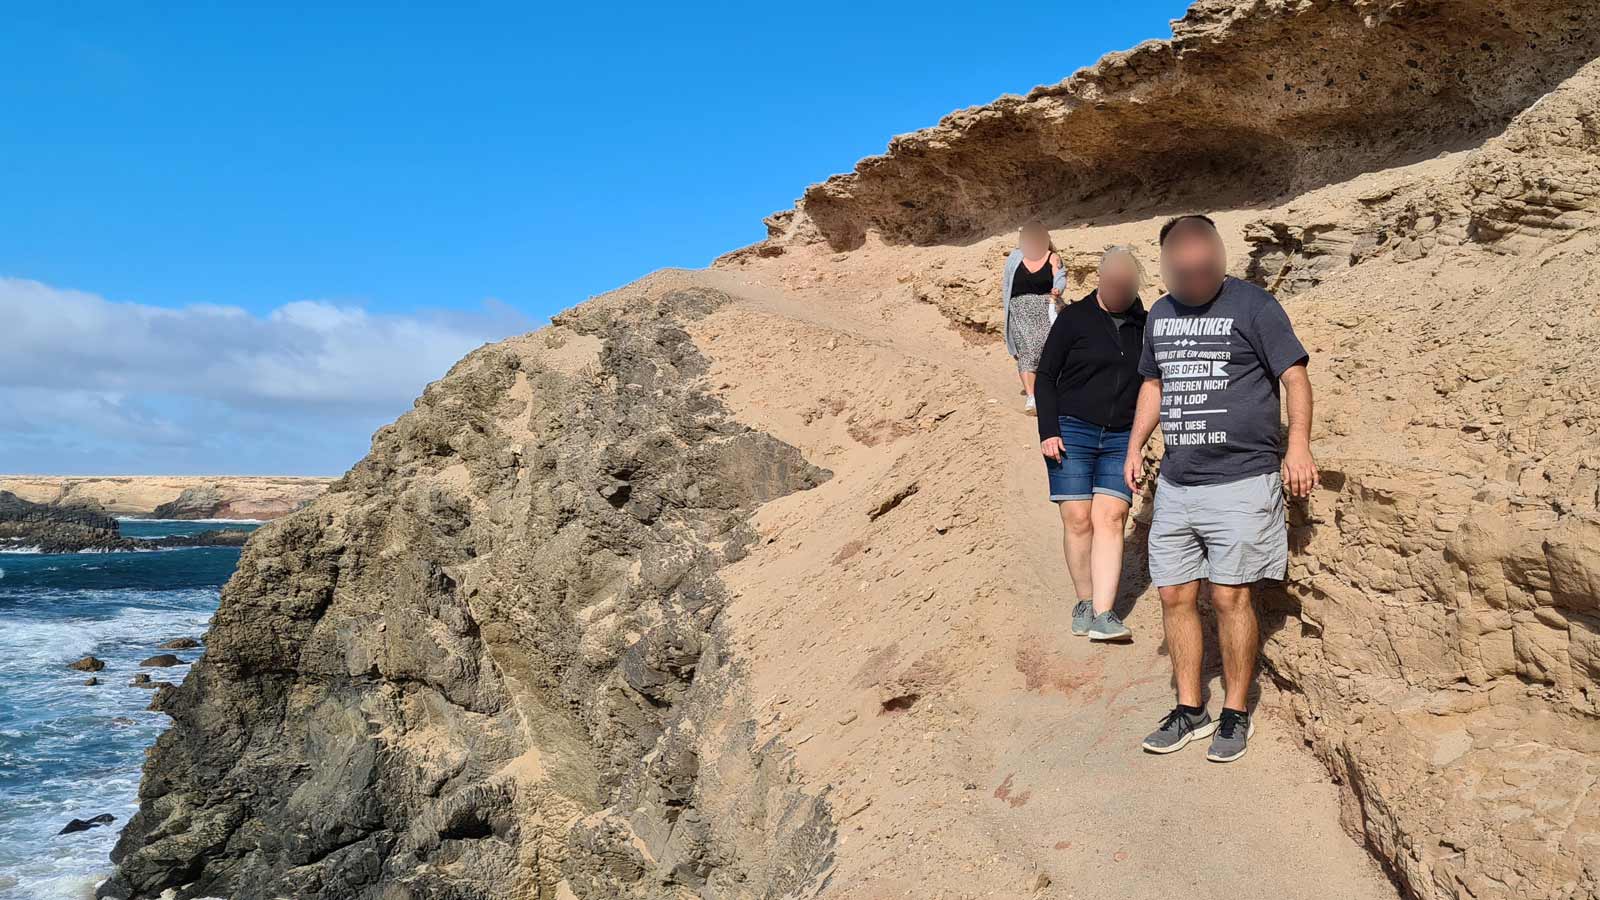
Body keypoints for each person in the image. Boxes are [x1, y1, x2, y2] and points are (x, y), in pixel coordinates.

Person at [1123, 215, 1317, 763]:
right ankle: (1190, 709)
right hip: (1179, 483)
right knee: (1174, 596)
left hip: (1242, 481)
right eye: (1183, 271)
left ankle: (1234, 711)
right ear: (1165, 268)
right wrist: (1136, 444)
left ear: (1219, 256)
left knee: (1231, 597)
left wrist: (1297, 445)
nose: (1195, 276)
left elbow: (1294, 376)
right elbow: (1154, 383)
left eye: (1204, 266)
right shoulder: (1159, 314)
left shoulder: (1254, 306)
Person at [1035, 246, 1147, 643]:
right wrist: (1049, 430)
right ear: (1100, 279)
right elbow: (1045, 376)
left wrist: (1141, 440)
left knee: (1112, 517)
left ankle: (1104, 613)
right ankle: (1084, 600)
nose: (1120, 290)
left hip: (1121, 436)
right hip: (1072, 430)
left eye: (1127, 285)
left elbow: (1153, 384)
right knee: (1079, 520)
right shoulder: (1074, 320)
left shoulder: (1144, 325)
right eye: (1113, 283)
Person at [1001, 222, 1066, 415]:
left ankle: (1051, 390)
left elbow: (1060, 276)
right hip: (1019, 310)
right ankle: (1032, 397)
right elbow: (1006, 286)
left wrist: (1057, 289)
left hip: (1045, 309)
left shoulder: (1052, 257)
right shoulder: (1014, 258)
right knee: (1027, 350)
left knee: (1048, 349)